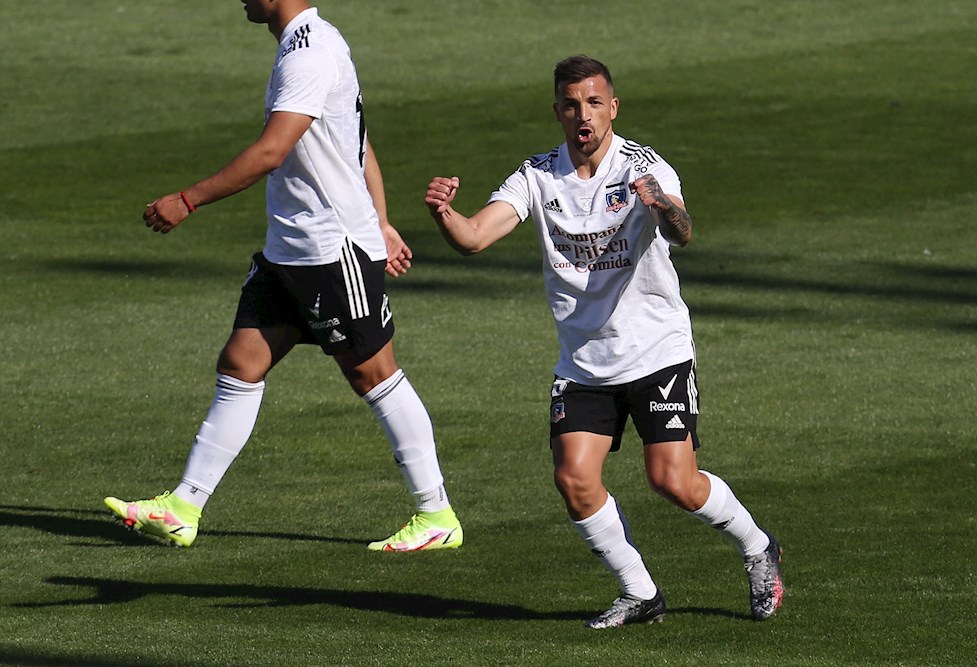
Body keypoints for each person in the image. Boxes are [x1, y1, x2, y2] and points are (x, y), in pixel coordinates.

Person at [424, 55, 782, 627]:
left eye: (594, 103)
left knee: (673, 481)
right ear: (558, 112)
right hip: (586, 361)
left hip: (656, 350)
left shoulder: (643, 167)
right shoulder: (537, 175)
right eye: (571, 105)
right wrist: (446, 213)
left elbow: (683, 232)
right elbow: (474, 237)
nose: (582, 115)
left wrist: (662, 206)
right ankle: (640, 593)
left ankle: (758, 546)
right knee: (574, 478)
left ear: (613, 107)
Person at [104, 0, 462, 554]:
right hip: (290, 251)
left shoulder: (310, 51)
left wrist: (187, 199)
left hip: (328, 249)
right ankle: (182, 508)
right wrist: (383, 221)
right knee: (240, 365)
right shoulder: (306, 42)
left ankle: (436, 513)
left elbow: (273, 151)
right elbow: (357, 143)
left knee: (374, 374)